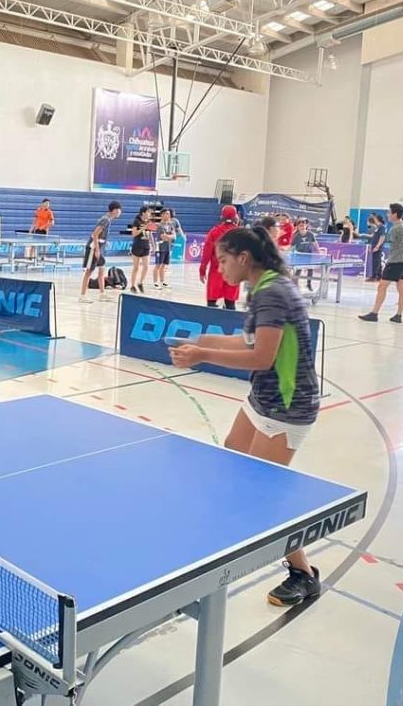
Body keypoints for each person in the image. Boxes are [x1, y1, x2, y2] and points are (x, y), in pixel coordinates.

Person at [169, 226, 321, 606]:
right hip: (262, 398)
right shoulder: (264, 287)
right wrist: (204, 341)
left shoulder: (271, 292)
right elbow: (252, 342)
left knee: (261, 495)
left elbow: (262, 358)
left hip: (287, 407)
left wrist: (204, 356)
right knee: (232, 462)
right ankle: (215, 549)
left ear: (243, 257)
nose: (218, 267)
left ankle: (303, 573)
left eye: (222, 260)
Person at [359, 203, 403, 324]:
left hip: (395, 262)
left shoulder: (395, 228)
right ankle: (398, 315)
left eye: (389, 212)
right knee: (402, 288)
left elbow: (386, 239)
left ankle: (374, 313)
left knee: (382, 286)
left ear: (395, 214)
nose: (387, 215)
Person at [79, 201, 122, 303]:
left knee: (102, 268)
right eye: (119, 209)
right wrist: (97, 250)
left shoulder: (107, 219)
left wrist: (104, 242)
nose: (120, 212)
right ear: (115, 210)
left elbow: (101, 235)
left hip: (98, 246)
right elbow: (95, 234)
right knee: (89, 272)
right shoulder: (105, 220)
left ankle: (102, 294)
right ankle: (82, 296)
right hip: (93, 248)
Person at [200, 205, 241, 309]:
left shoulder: (214, 232)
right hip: (234, 271)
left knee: (211, 302)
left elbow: (206, 253)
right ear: (235, 217)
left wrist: (202, 270)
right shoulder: (240, 233)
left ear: (222, 216)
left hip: (217, 270)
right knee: (230, 303)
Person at [152, 208, 181, 289]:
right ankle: (155, 282)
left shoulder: (170, 225)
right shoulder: (159, 226)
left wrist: (169, 236)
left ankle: (162, 281)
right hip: (160, 248)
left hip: (167, 247)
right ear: (162, 215)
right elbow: (163, 237)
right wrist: (169, 236)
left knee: (164, 265)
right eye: (167, 214)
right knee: (158, 265)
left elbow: (174, 236)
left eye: (169, 214)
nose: (169, 215)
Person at [128, 206, 153, 293]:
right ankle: (132, 285)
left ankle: (140, 282)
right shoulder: (136, 221)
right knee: (136, 267)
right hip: (137, 245)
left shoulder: (149, 221)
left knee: (146, 266)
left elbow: (150, 234)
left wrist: (152, 244)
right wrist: (143, 227)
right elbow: (134, 234)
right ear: (143, 213)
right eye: (148, 212)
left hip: (146, 245)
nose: (149, 214)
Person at [290, 219, 319, 290]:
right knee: (298, 270)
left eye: (303, 225)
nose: (302, 227)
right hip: (299, 255)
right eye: (300, 226)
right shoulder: (296, 236)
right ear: (298, 227)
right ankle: (295, 284)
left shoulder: (310, 234)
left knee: (310, 269)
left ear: (306, 226)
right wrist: (290, 254)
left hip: (308, 254)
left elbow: (315, 244)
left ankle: (309, 284)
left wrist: (318, 251)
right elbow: (291, 247)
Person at [367, 214, 386, 282]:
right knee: (378, 262)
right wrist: (371, 245)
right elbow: (374, 237)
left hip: (377, 247)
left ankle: (374, 276)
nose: (374, 220)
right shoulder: (377, 227)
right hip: (374, 246)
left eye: (375, 219)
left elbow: (382, 237)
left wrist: (377, 246)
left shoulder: (382, 227)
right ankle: (379, 276)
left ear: (378, 220)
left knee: (376, 262)